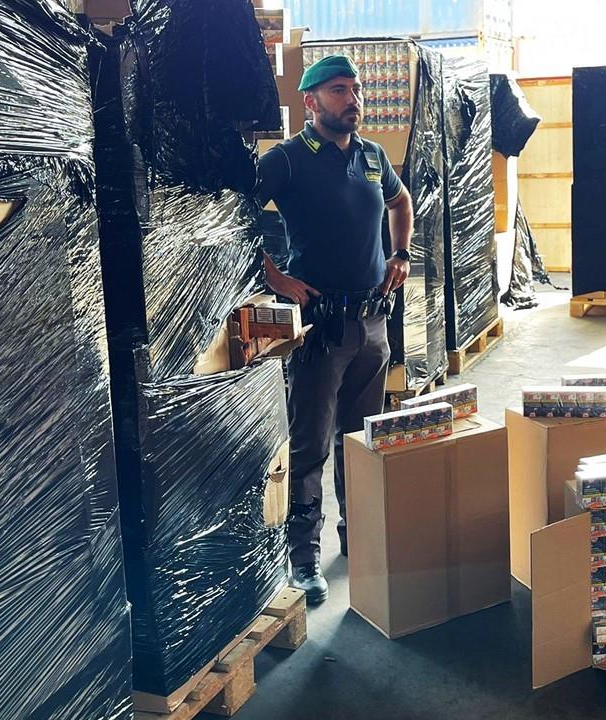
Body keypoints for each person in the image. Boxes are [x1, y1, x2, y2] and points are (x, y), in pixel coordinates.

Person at [256, 55, 415, 604]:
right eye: (340, 90)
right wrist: (275, 277)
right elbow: (235, 213)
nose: (353, 100)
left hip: (373, 323)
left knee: (360, 440)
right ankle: (303, 558)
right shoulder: (288, 160)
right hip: (322, 332)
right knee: (311, 447)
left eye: (356, 89)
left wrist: (401, 254)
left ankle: (358, 537)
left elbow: (400, 201)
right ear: (311, 102)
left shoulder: (372, 156)